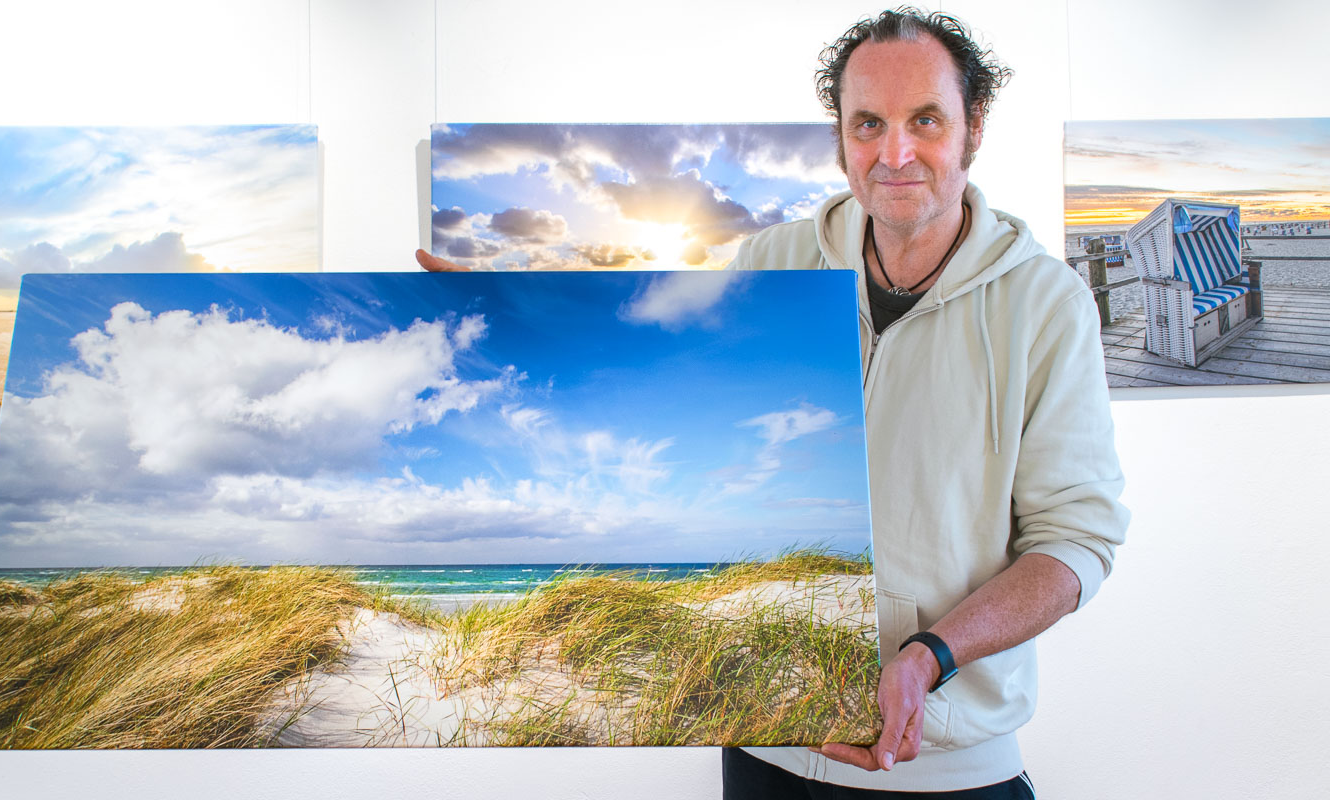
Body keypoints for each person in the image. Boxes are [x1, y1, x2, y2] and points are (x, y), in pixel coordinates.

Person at [419, 9, 1128, 798]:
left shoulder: (1046, 304)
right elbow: (662, 355)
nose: (895, 153)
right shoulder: (774, 260)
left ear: (975, 127)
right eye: (868, 124)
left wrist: (931, 655)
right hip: (770, 752)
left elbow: (1075, 542)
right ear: (841, 137)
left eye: (925, 120)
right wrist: (510, 311)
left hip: (949, 768)